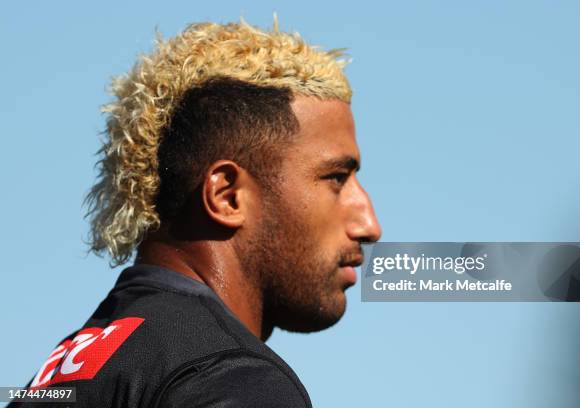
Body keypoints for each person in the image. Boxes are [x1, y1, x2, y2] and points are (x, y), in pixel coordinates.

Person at [13, 18, 381, 407]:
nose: (369, 225)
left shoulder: (60, 374)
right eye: (337, 179)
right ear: (227, 196)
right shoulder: (231, 379)